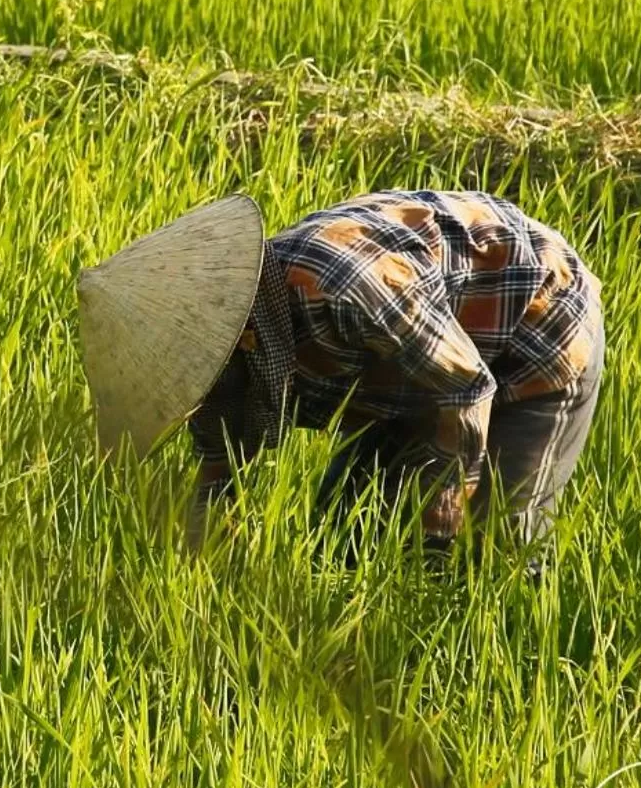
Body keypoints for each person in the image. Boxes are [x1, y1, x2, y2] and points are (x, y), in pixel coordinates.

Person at [78, 191, 603, 559]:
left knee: (495, 544)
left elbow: (466, 385)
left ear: (237, 332)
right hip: (413, 372)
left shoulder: (345, 288)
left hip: (535, 320)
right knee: (343, 537)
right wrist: (207, 531)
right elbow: (220, 458)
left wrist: (446, 500)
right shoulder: (224, 350)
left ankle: (492, 673)